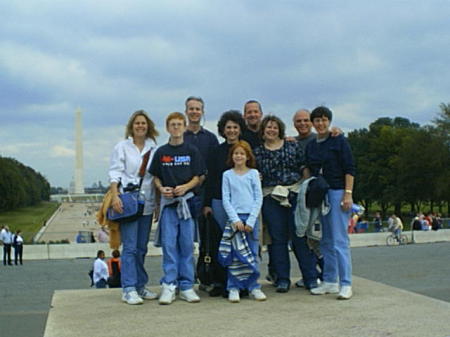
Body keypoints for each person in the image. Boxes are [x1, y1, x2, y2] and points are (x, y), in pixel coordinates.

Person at [254, 115, 319, 293]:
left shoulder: (292, 145)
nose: (271, 130)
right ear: (263, 131)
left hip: (294, 194)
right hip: (270, 196)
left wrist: (306, 188)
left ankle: (310, 277)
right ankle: (282, 279)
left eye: (275, 127)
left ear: (280, 129)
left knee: (299, 236)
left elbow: (303, 167)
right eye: (268, 127)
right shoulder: (257, 151)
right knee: (278, 240)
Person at [149, 112, 206, 305]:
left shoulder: (191, 150)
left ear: (184, 127)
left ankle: (187, 285)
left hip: (187, 204)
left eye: (179, 124)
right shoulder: (161, 152)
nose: (176, 128)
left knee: (187, 245)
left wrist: (186, 187)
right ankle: (169, 284)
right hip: (168, 205)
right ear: (167, 128)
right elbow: (155, 175)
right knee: (169, 245)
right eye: (172, 124)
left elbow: (199, 176)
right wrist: (160, 188)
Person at [109, 109, 159, 305]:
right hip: (128, 203)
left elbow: (155, 177)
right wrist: (115, 197)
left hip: (146, 203)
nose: (140, 126)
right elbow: (115, 173)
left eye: (143, 123)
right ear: (131, 126)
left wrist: (156, 204)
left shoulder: (153, 148)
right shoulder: (122, 147)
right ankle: (128, 288)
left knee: (141, 248)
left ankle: (140, 285)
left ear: (149, 127)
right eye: (137, 123)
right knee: (129, 247)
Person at [305, 106, 355, 300]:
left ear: (329, 121)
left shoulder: (339, 140)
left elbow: (349, 168)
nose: (321, 123)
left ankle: (346, 282)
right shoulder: (312, 145)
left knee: (339, 240)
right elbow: (309, 168)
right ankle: (330, 280)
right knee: (324, 240)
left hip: (337, 191)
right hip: (320, 194)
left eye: (324, 120)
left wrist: (347, 194)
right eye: (317, 120)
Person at [203, 110, 247, 297]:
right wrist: (207, 204)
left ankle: (241, 282)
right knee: (222, 243)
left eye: (235, 127)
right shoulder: (216, 152)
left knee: (241, 243)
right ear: (223, 130)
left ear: (240, 129)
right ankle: (222, 281)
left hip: (241, 203)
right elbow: (210, 179)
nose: (232, 130)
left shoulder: (246, 150)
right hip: (219, 201)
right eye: (228, 127)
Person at [220, 140, 266, 303]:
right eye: (236, 153)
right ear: (232, 156)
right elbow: (226, 199)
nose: (238, 156)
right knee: (235, 255)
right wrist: (235, 220)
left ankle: (254, 286)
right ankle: (233, 287)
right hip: (235, 219)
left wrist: (251, 220)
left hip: (251, 219)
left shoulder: (253, 174)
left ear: (247, 156)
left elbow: (258, 197)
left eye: (242, 153)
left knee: (252, 253)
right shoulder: (227, 175)